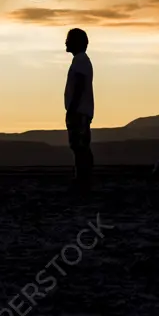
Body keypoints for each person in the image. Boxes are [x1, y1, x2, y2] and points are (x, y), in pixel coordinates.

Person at [64, 28, 94, 194]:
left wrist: (73, 107)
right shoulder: (80, 60)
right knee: (79, 145)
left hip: (79, 111)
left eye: (69, 39)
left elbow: (80, 85)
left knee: (80, 145)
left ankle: (83, 178)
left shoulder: (81, 61)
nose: (66, 43)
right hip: (80, 110)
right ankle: (82, 176)